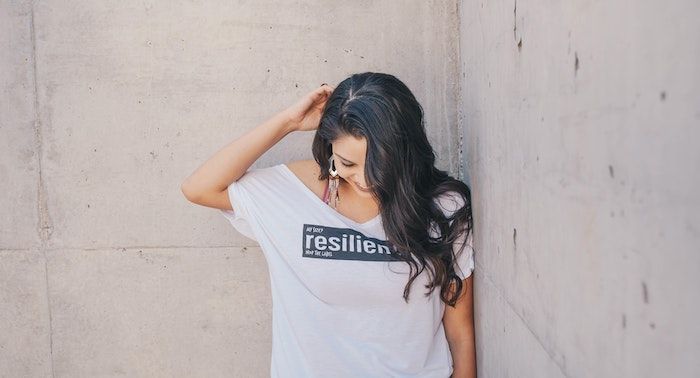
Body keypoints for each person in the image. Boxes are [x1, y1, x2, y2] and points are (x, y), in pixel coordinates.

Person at [181, 72, 476, 378]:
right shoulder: (293, 196)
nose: (364, 179)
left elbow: (461, 333)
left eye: (379, 165)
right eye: (347, 163)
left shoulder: (444, 207)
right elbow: (199, 188)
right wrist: (288, 122)